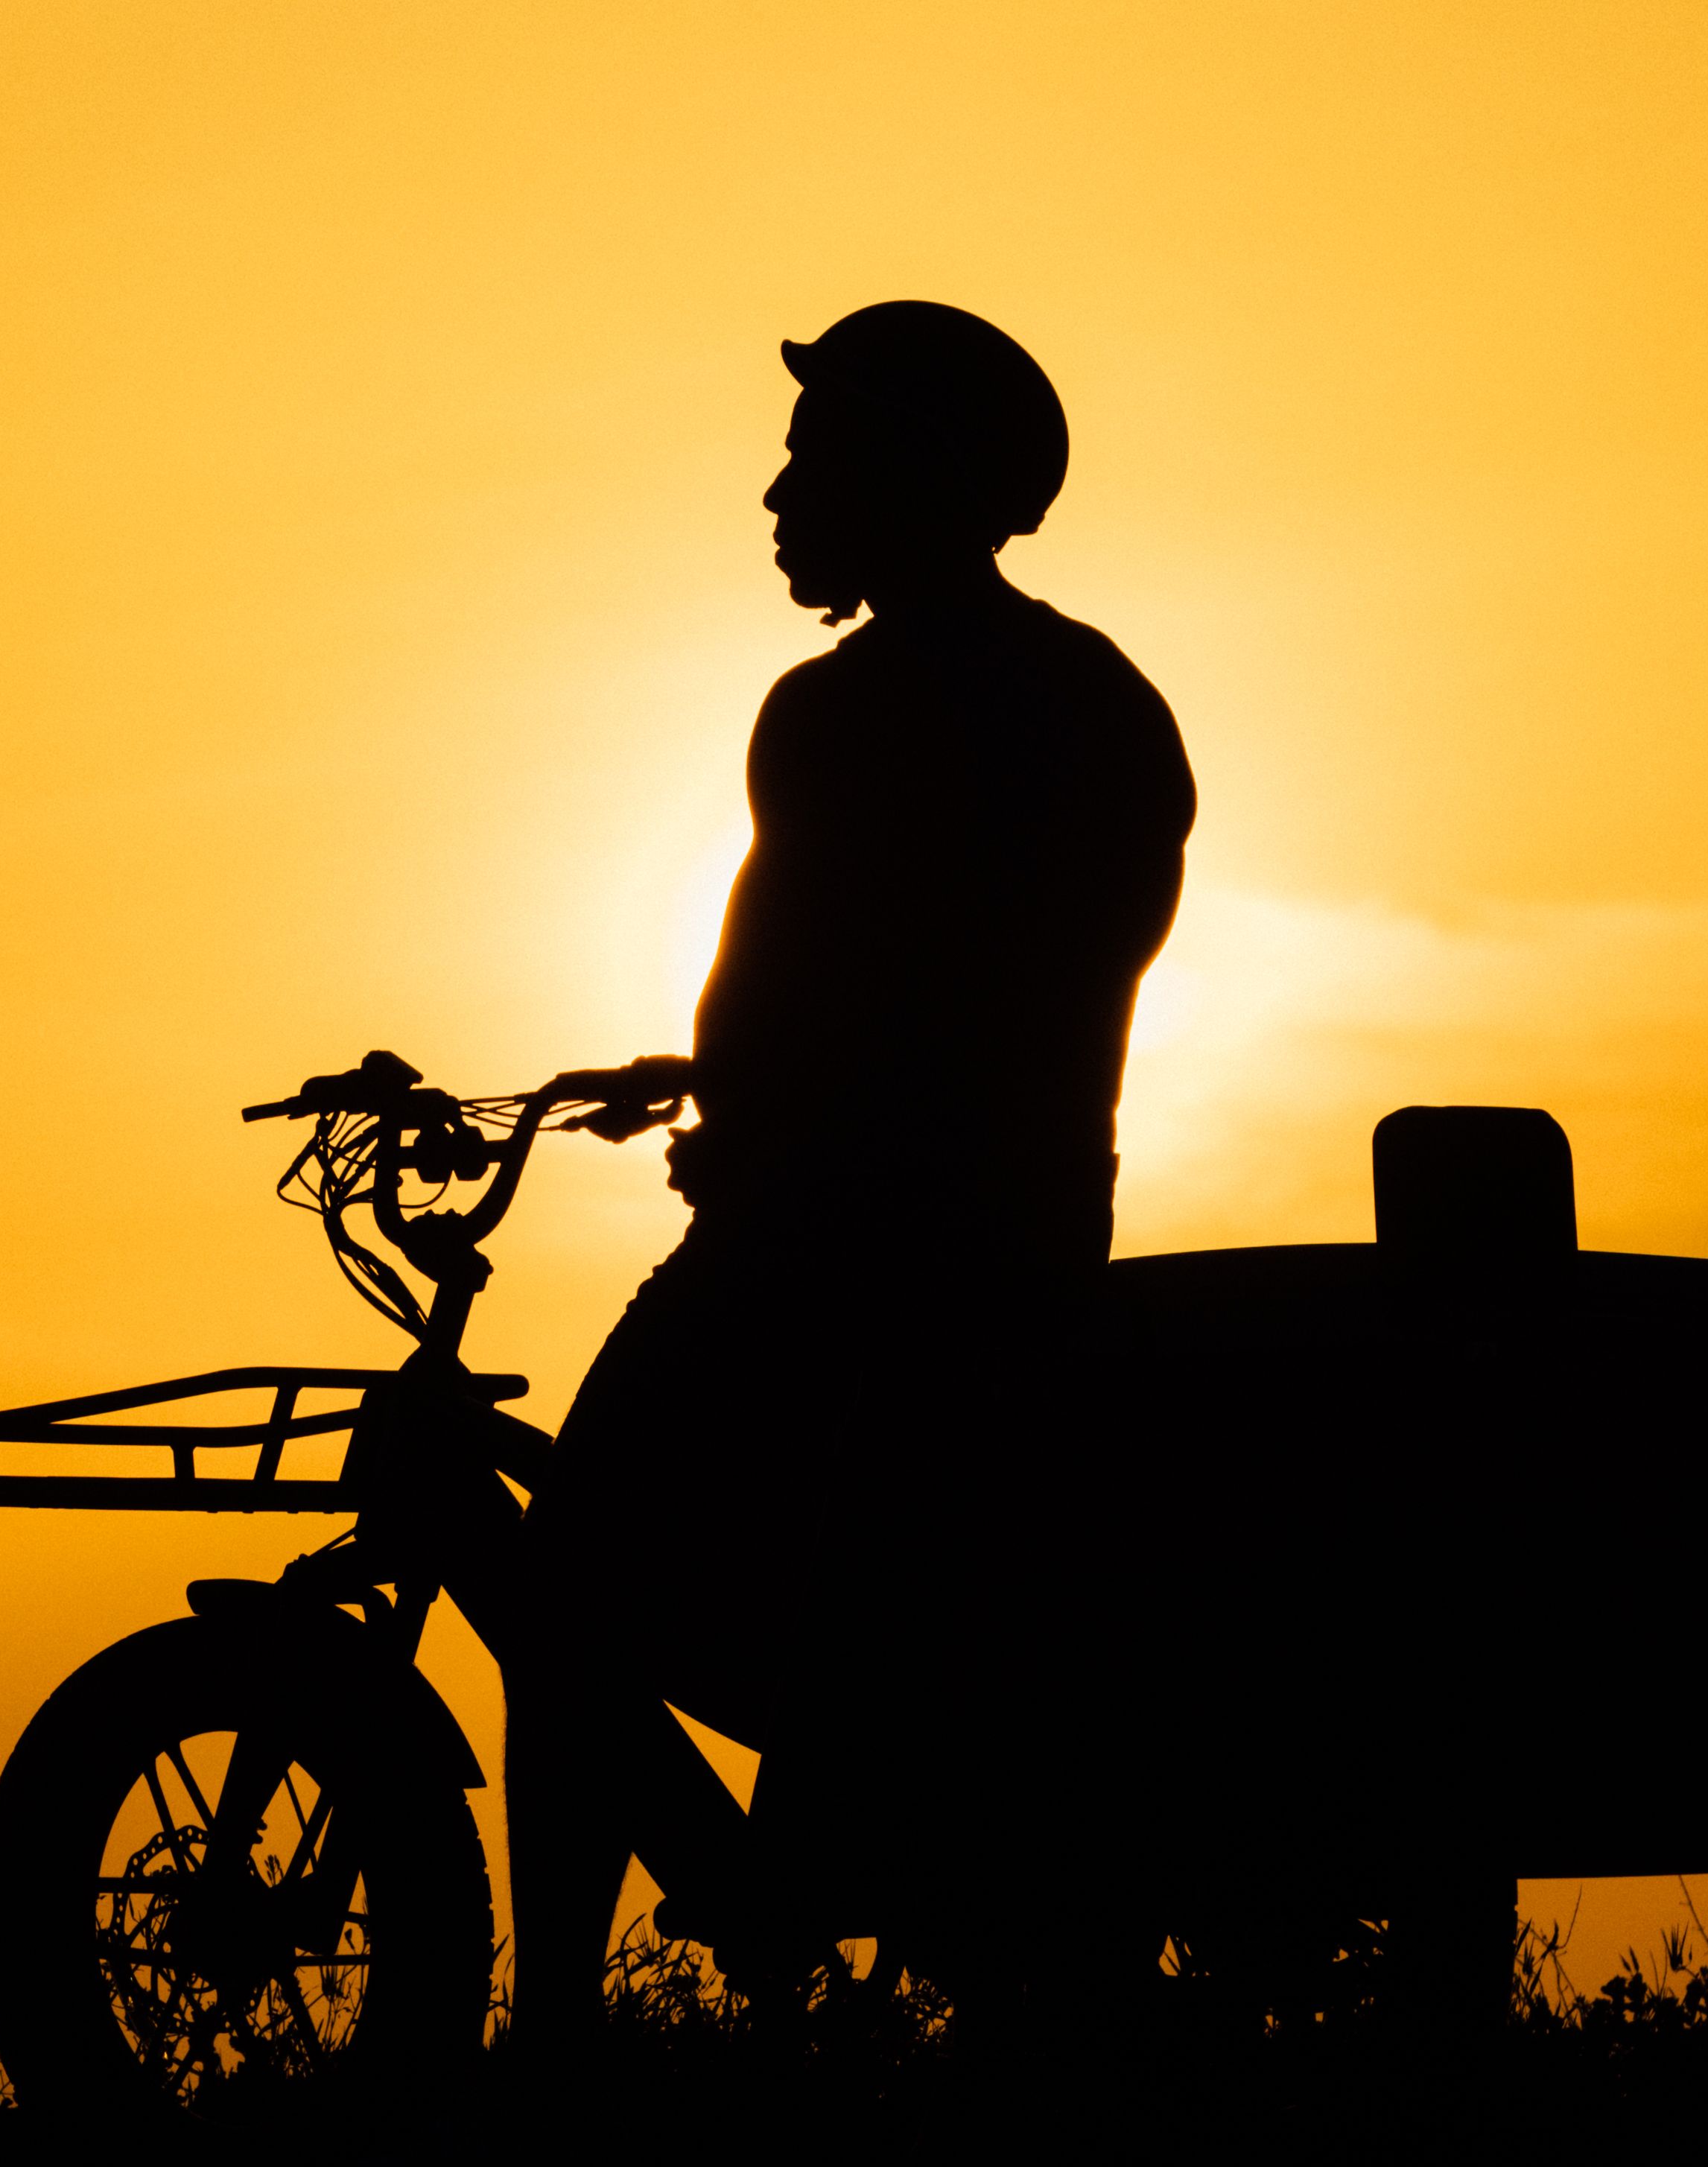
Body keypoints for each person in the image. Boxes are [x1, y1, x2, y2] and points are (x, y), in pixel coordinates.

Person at [503, 303, 1198, 2036]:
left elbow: (820, 976)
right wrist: (728, 1085)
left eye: (815, 457)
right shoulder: (1103, 704)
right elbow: (1025, 983)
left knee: (566, 1583)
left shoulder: (840, 714)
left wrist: (747, 1115)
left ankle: (561, 2040)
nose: (778, 493)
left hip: (823, 1248)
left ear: (909, 473)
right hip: (1017, 1246)